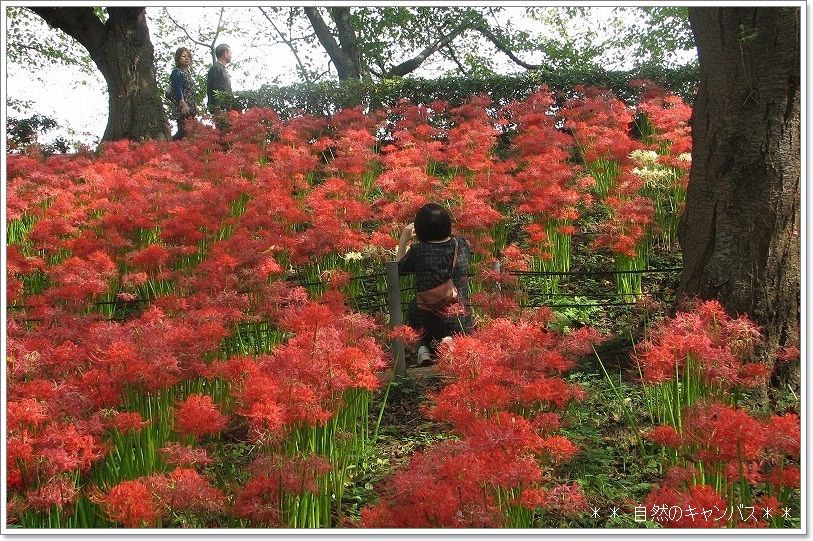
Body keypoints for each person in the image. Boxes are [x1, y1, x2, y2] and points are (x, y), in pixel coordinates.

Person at [396, 203, 473, 366]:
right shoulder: (463, 245)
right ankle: (449, 340)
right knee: (456, 316)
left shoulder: (418, 250)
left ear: (420, 230)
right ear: (447, 225)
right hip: (458, 317)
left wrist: (404, 239)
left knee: (413, 306)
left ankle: (422, 348)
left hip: (425, 318)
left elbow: (398, 270)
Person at [170, 47, 198, 140]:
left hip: (190, 107)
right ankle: (169, 145)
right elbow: (178, 89)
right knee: (183, 131)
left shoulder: (188, 73)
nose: (186, 58)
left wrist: (195, 105)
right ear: (178, 58)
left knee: (190, 132)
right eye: (183, 56)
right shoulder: (177, 72)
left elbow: (190, 91)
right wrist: (183, 105)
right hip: (182, 107)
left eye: (188, 56)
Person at [206, 44, 233, 114]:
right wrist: (216, 107)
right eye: (230, 53)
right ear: (225, 54)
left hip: (226, 108)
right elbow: (214, 88)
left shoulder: (222, 69)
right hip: (220, 109)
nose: (231, 55)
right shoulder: (216, 68)